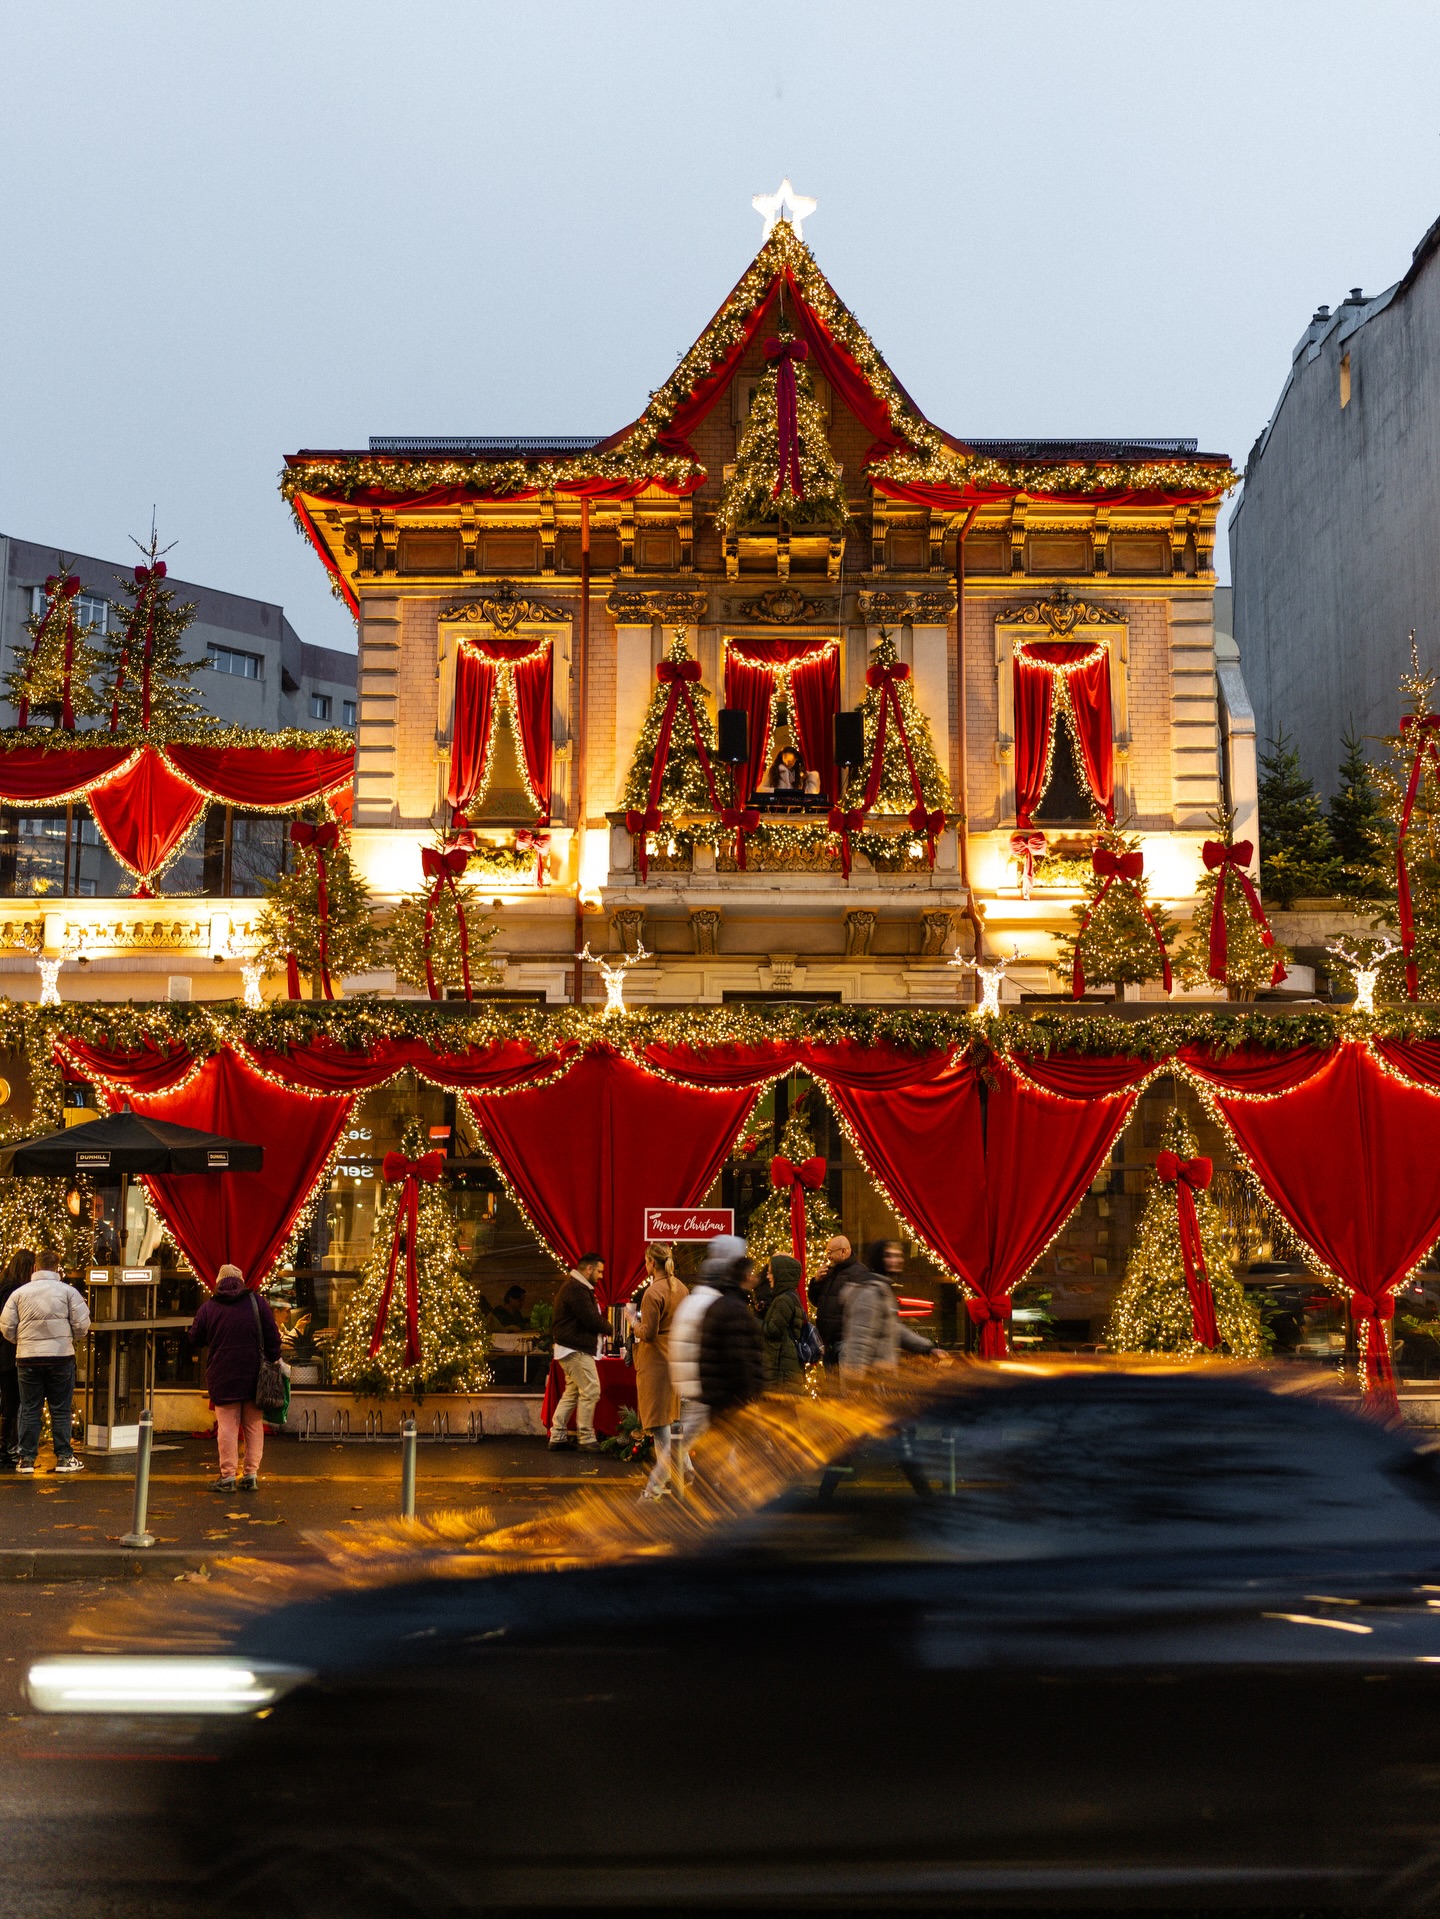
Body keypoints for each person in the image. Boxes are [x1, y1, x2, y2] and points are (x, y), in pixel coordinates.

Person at [187, 1264, 281, 1493]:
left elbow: (195, 1338)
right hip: (254, 1374)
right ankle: (251, 1475)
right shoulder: (257, 1303)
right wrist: (274, 1359)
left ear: (218, 1283)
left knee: (227, 1427)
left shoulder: (209, 1307)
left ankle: (228, 1476)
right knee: (253, 1425)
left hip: (222, 1374)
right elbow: (273, 1337)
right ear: (242, 1282)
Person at [0, 1244, 89, 1474]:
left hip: (27, 1358)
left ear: (36, 1267)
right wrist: (68, 1338)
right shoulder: (69, 1292)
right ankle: (64, 1458)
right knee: (60, 1409)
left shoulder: (19, 1293)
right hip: (60, 1357)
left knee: (29, 1408)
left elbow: (6, 1327)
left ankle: (26, 1460)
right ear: (56, 1268)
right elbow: (82, 1325)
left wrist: (22, 1342)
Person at [670, 1235, 764, 1447]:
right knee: (716, 1445)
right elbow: (739, 1357)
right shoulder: (724, 1305)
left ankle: (668, 1466)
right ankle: (665, 1468)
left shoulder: (703, 1299)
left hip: (705, 1389)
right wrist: (749, 1394)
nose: (754, 1278)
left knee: (706, 1443)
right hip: (716, 1391)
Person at [633, 1243, 688, 1499]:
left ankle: (655, 1488)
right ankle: (685, 1469)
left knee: (658, 1424)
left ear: (651, 1263)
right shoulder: (682, 1289)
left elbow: (649, 1334)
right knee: (671, 1419)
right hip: (675, 1358)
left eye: (646, 1261)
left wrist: (633, 1323)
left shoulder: (652, 1293)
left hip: (656, 1363)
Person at [840, 1245, 940, 1382]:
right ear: (879, 1260)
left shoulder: (883, 1290)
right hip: (870, 1380)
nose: (896, 1260)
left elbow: (894, 1329)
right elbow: (859, 1339)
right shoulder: (870, 1292)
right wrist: (855, 1380)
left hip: (881, 1378)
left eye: (898, 1255)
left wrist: (927, 1348)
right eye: (889, 1256)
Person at [548, 1252, 607, 1453]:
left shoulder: (574, 1287)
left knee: (572, 1392)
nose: (600, 1276)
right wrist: (612, 1328)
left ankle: (557, 1436)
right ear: (588, 1269)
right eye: (599, 1271)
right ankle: (586, 1437)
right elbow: (590, 1319)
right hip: (575, 1349)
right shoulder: (577, 1289)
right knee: (591, 1389)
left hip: (567, 1348)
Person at [809, 1235, 870, 1367]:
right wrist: (816, 1281)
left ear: (843, 1251)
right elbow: (816, 1301)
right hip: (828, 1343)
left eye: (830, 1252)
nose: (828, 1256)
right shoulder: (829, 1272)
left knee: (846, 1379)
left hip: (847, 1343)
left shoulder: (860, 1272)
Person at [0, 1248, 35, 1471]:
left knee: (9, 1401)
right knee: (12, 1402)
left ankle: (7, 1449)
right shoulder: (15, 1292)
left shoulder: (4, 1286)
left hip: (4, 1353)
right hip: (10, 1354)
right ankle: (8, 1450)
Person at [761, 1254, 807, 1389]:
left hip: (782, 1369)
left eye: (771, 1272)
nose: (768, 1277)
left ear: (781, 1275)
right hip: (785, 1367)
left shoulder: (784, 1299)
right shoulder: (789, 1296)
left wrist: (752, 1322)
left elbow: (773, 1330)